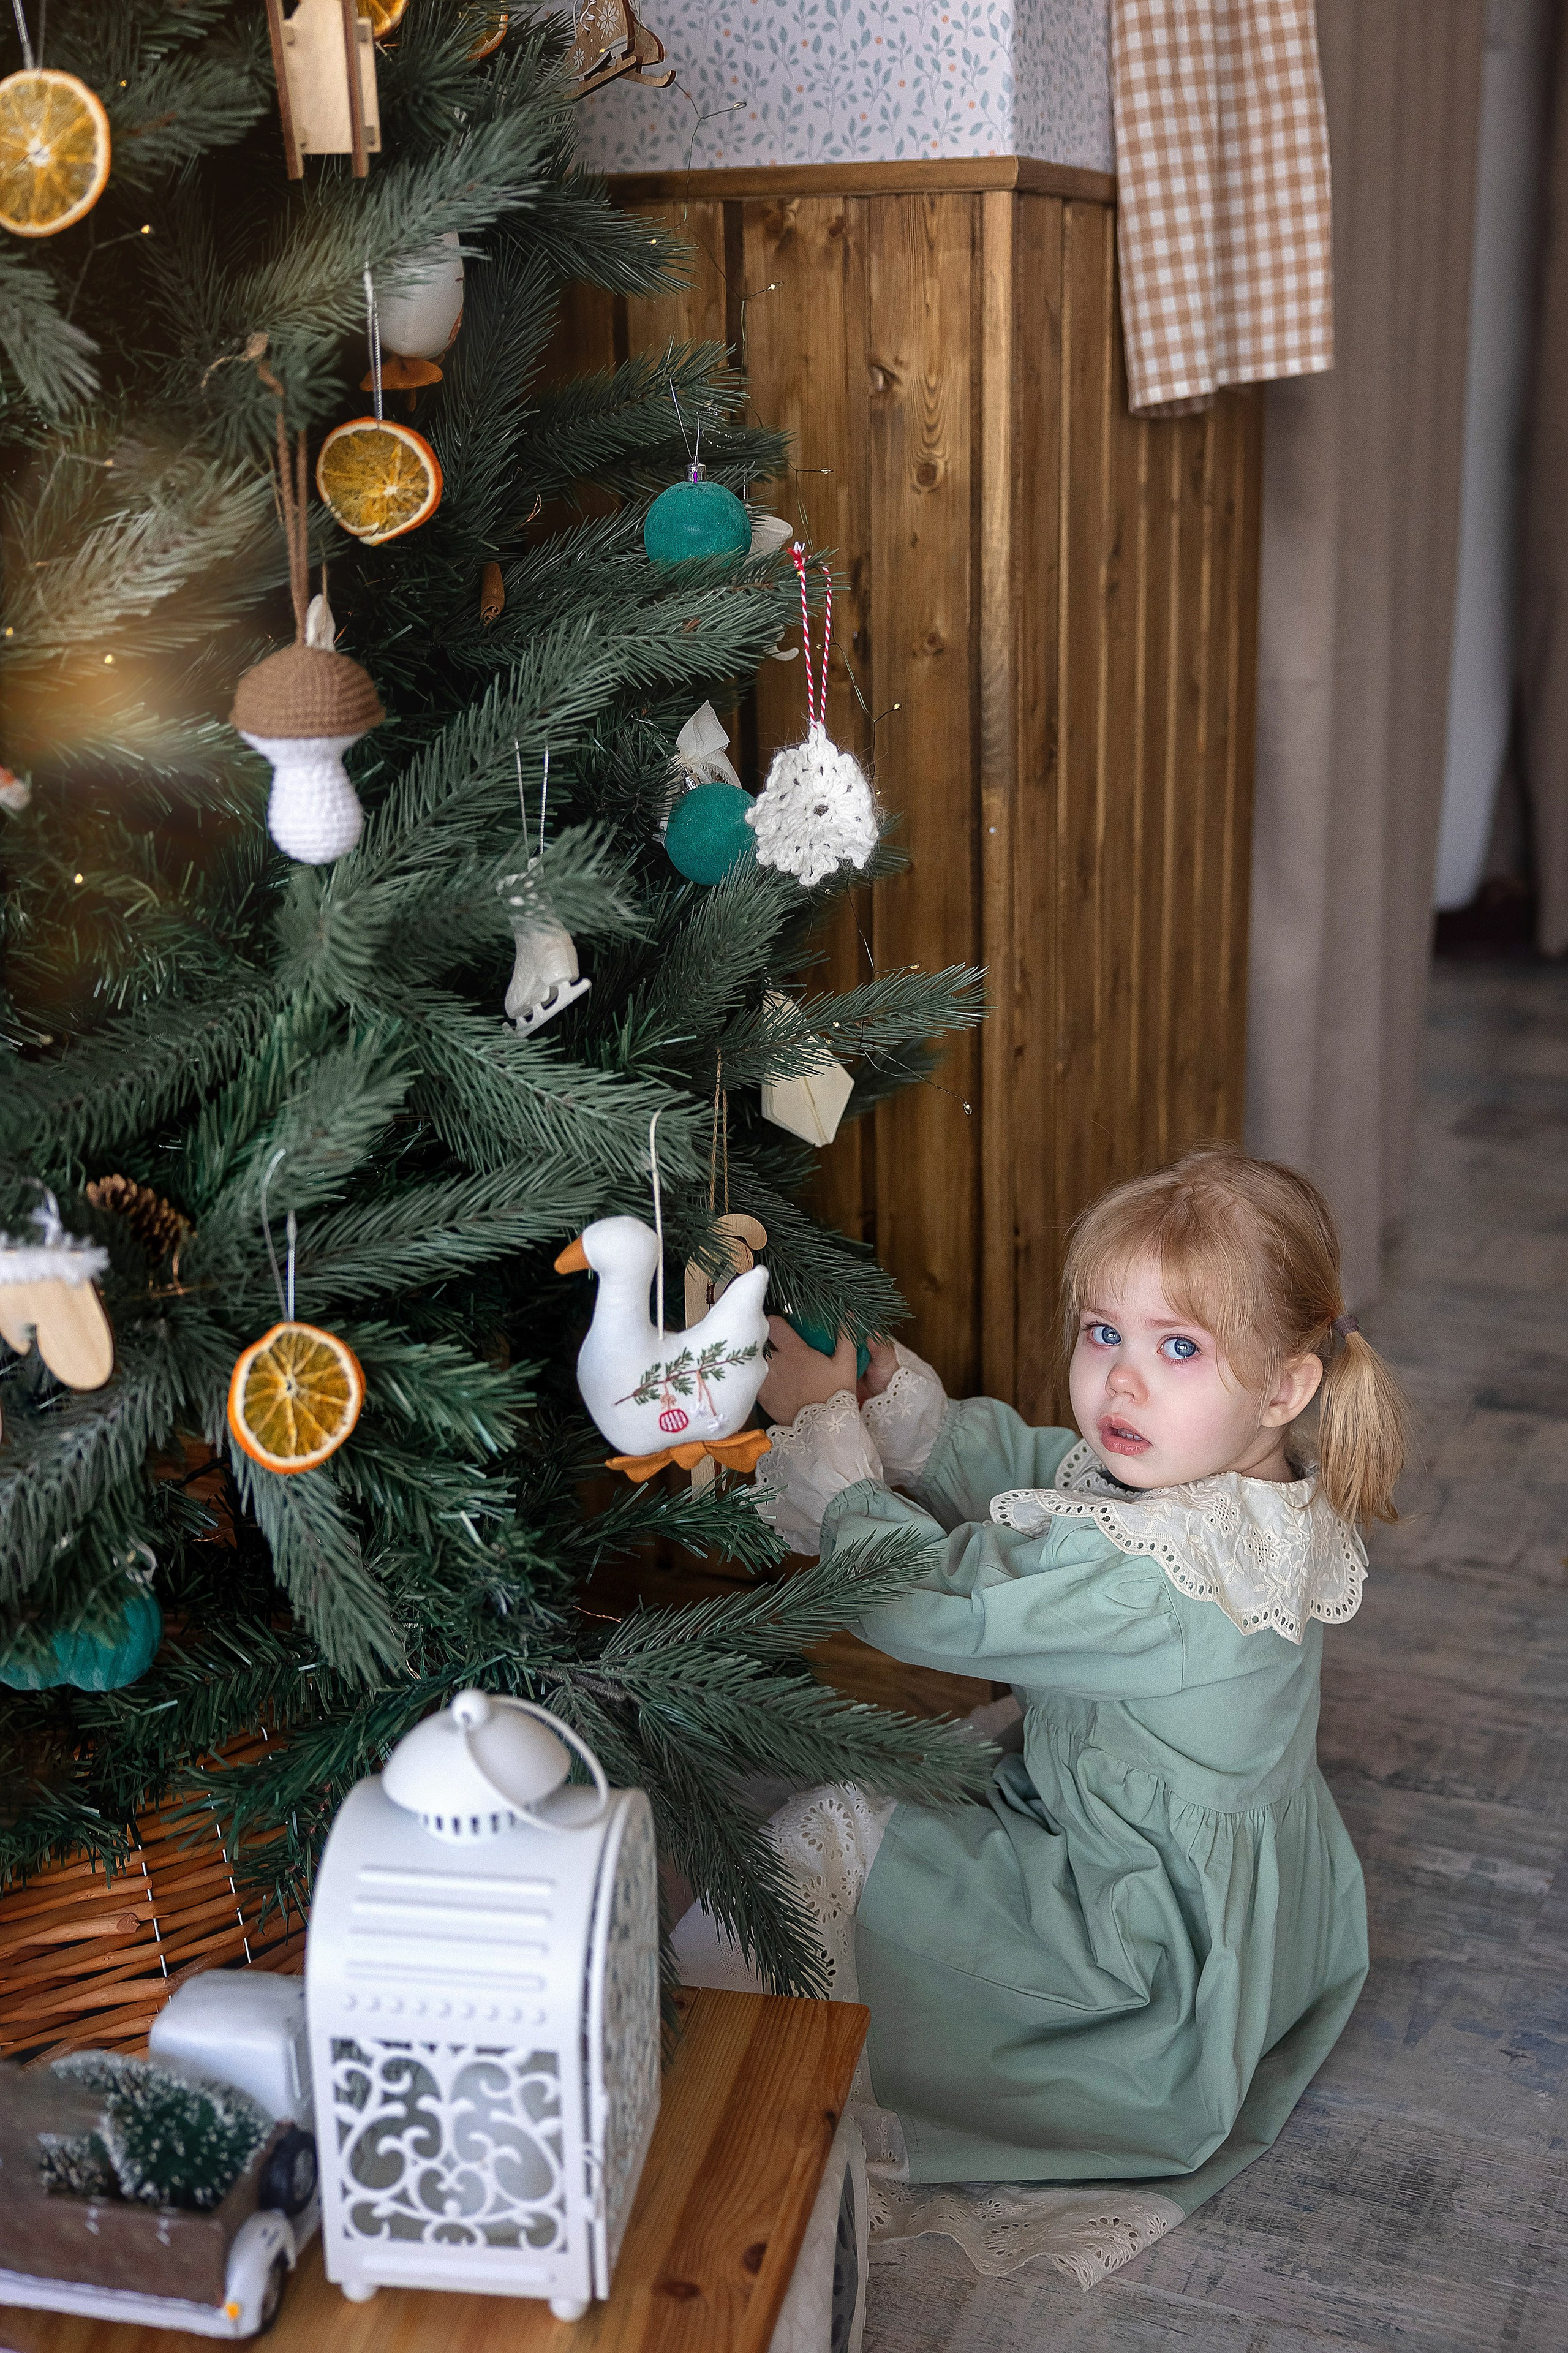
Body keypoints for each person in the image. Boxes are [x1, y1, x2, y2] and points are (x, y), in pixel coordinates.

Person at [673, 1146, 1412, 2281]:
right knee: (904, 1798)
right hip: (1221, 1894)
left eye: (1179, 1347)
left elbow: (937, 1603)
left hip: (1141, 1960)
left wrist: (840, 1450)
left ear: (1287, 1385)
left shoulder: (1171, 1574)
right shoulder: (1235, 1491)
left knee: (824, 1850)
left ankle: (707, 2077)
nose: (1123, 1380)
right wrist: (905, 1412)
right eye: (1103, 1332)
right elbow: (1040, 1482)